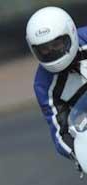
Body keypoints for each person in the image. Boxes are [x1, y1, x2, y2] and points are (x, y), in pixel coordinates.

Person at [28, 6, 87, 171]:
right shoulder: (43, 85)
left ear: (71, 33)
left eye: (57, 44)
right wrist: (77, 152)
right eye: (44, 49)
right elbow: (60, 132)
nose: (51, 52)